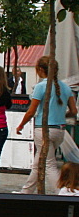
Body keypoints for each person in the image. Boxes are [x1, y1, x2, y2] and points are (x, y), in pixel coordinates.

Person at [15, 56, 78, 194]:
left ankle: (61, 193)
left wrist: (21, 125)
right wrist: (62, 115)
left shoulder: (41, 87)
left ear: (40, 70)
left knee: (49, 164)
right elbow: (74, 111)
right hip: (60, 129)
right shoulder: (65, 87)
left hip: (44, 129)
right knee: (39, 163)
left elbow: (32, 110)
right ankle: (26, 191)